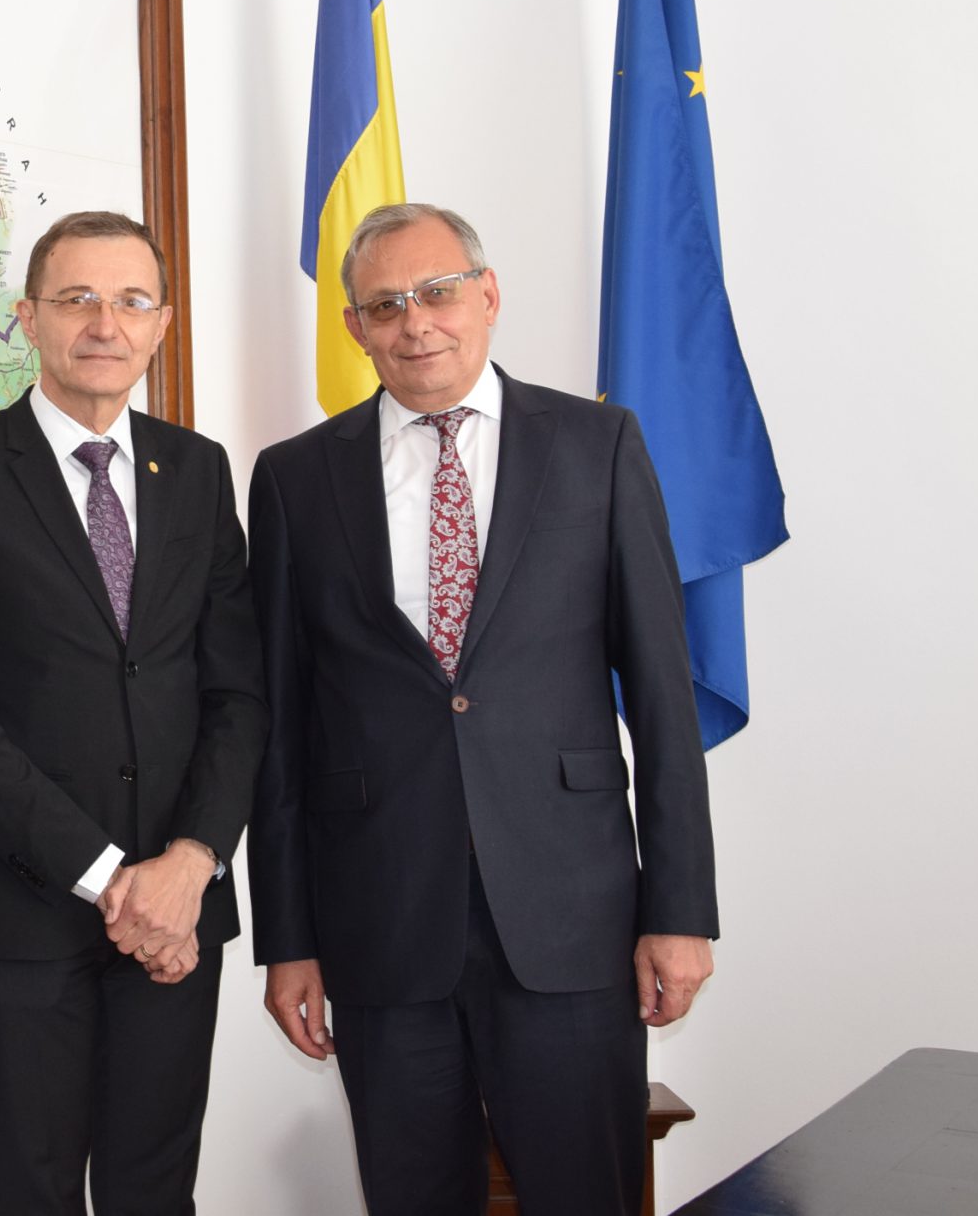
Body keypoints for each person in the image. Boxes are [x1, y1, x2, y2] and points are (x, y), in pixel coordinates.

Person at [247, 202, 718, 1216]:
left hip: (570, 920)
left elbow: (663, 696)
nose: (415, 322)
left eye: (438, 292)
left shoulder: (596, 445)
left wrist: (679, 912)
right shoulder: (293, 479)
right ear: (354, 327)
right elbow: (282, 729)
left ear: (488, 295)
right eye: (385, 305)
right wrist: (288, 936)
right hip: (381, 921)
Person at [0, 211, 266, 1216]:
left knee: (157, 1189)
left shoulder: (198, 469)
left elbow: (237, 691)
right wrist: (114, 882)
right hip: (24, 914)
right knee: (35, 1191)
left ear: (162, 323)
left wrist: (190, 862)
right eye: (77, 299)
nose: (105, 323)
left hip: (180, 907)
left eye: (131, 300)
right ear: (29, 318)